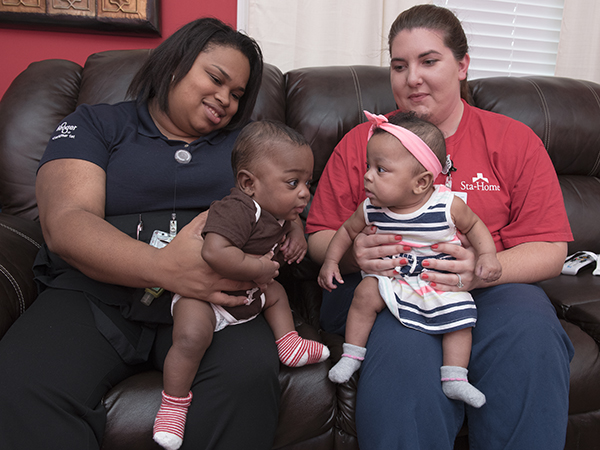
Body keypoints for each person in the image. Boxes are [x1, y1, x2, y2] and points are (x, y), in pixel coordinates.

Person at [0, 18, 282, 450]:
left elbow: (290, 205)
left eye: (238, 94)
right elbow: (66, 221)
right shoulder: (96, 123)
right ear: (174, 64)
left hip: (213, 301)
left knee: (245, 376)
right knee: (20, 384)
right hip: (94, 293)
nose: (225, 99)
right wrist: (165, 269)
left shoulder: (248, 145)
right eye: (216, 78)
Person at [306, 4, 574, 449]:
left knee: (532, 336)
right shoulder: (362, 143)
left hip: (493, 289)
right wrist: (355, 255)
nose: (412, 78)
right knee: (402, 361)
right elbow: (318, 233)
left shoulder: (513, 140)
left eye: (429, 61)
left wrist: (481, 269)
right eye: (399, 65)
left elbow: (550, 247)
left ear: (462, 65)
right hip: (395, 289)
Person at [154, 120, 329, 450]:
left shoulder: (280, 207)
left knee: (277, 294)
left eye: (308, 181)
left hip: (247, 292)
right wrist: (259, 266)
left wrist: (297, 236)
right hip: (205, 296)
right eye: (293, 182)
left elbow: (289, 220)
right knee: (191, 336)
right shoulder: (237, 209)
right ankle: (174, 404)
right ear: (248, 183)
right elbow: (214, 251)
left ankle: (289, 343)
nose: (305, 191)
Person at [319, 110, 501, 409]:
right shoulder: (370, 208)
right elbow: (344, 233)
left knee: (460, 319)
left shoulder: (446, 205)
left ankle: (456, 377)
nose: (366, 176)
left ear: (421, 182)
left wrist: (488, 256)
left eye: (381, 169)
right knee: (365, 293)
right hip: (393, 278)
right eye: (368, 166)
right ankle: (352, 355)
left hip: (436, 279)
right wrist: (332, 261)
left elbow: (475, 227)